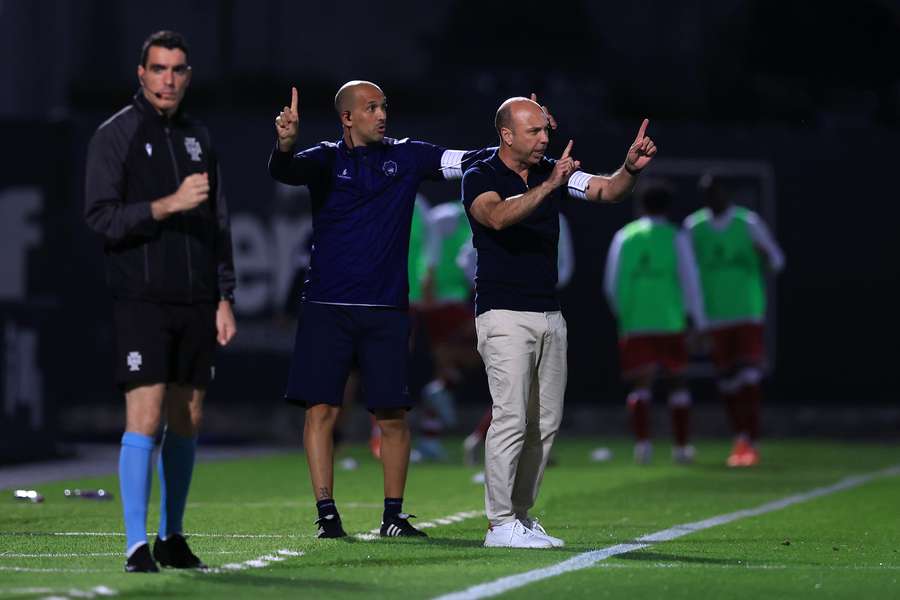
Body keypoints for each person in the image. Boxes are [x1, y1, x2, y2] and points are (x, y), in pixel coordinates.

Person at [269, 81, 534, 538]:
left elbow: (464, 160)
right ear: (347, 118)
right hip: (327, 307)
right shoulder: (325, 159)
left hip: (387, 309)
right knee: (321, 411)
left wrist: (517, 138)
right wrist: (285, 143)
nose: (381, 114)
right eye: (370, 108)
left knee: (392, 415)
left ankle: (393, 516)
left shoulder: (409, 155)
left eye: (384, 106)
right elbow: (284, 169)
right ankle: (327, 514)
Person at [462, 97, 656, 548]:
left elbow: (606, 190)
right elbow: (495, 216)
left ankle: (521, 517)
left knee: (544, 424)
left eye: (545, 131)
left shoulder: (554, 168)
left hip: (549, 313)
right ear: (507, 135)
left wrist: (630, 168)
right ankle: (498, 524)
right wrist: (551, 184)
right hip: (503, 313)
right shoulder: (481, 173)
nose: (545, 139)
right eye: (535, 132)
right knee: (510, 417)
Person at [84, 30, 236, 573]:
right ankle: (134, 543)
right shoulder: (116, 135)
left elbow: (218, 224)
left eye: (177, 70)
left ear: (187, 77)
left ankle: (171, 535)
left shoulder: (199, 136)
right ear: (141, 74)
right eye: (158, 69)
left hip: (197, 300)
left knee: (188, 416)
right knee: (145, 416)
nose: (168, 79)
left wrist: (224, 297)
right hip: (142, 298)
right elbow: (100, 217)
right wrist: (167, 205)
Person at [684, 173, 784, 467]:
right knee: (727, 383)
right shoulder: (694, 227)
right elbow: (690, 277)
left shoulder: (748, 222)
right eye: (707, 193)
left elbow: (777, 259)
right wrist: (697, 320)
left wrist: (765, 257)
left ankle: (750, 440)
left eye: (716, 191)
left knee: (749, 376)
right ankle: (740, 437)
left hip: (748, 312)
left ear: (726, 194)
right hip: (715, 317)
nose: (712, 197)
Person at [603, 181, 705, 464]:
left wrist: (624, 314)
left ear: (640, 206)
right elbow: (690, 280)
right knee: (677, 382)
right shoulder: (676, 237)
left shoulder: (625, 236)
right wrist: (696, 319)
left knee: (640, 385)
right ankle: (682, 447)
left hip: (636, 323)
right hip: (670, 322)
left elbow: (611, 284)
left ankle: (643, 446)